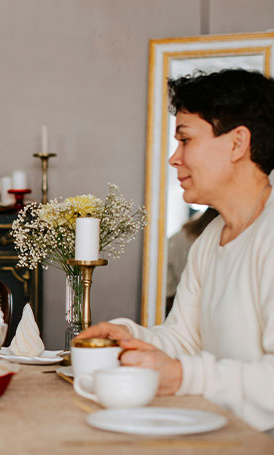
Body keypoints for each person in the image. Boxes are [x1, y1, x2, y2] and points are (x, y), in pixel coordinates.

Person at [76, 69, 274, 433]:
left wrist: (183, 376)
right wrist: (127, 337)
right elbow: (183, 338)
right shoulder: (209, 240)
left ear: (237, 143)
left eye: (185, 140)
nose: (174, 158)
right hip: (225, 433)